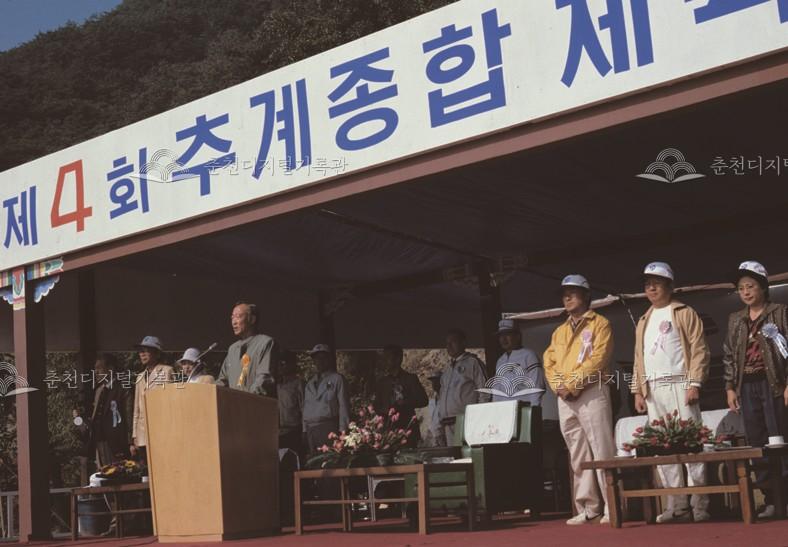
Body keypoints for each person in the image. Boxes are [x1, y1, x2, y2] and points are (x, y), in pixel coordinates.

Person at [631, 262, 711, 523]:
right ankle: (676, 503)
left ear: (670, 286)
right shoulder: (644, 319)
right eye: (647, 284)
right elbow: (639, 358)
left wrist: (694, 383)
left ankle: (699, 503)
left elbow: (699, 348)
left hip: (680, 384)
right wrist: (638, 391)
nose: (651, 288)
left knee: (691, 445)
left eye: (657, 283)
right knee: (661, 448)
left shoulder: (684, 312)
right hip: (654, 389)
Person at [543, 275, 615, 525]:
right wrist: (559, 387)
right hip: (566, 397)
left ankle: (613, 506)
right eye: (564, 294)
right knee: (577, 453)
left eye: (572, 292)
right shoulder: (559, 331)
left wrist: (573, 385)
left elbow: (599, 359)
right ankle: (589, 507)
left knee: (602, 449)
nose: (567, 297)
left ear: (586, 295)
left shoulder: (600, 324)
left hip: (591, 391)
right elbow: (549, 362)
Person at [723, 261, 788, 518]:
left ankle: (785, 497)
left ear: (762, 286)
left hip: (775, 384)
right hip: (747, 386)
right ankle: (770, 499)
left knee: (780, 438)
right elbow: (729, 354)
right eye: (741, 288)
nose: (746, 292)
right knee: (757, 443)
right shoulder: (735, 319)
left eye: (750, 286)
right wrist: (730, 387)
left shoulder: (780, 312)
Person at [436, 329, 487, 445]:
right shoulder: (447, 370)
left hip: (466, 421)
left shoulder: (473, 363)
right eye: (447, 343)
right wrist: (438, 425)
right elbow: (441, 398)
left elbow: (484, 391)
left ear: (463, 343)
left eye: (453, 342)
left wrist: (479, 417)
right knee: (454, 454)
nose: (449, 346)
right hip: (448, 423)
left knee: (468, 453)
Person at [217, 301, 277, 396]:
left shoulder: (265, 343)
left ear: (252, 319)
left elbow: (264, 379)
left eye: (238, 317)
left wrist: (245, 398)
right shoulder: (232, 349)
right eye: (232, 318)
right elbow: (222, 381)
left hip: (255, 403)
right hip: (233, 403)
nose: (234, 322)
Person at [374, 344, 428, 446]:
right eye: (384, 358)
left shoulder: (411, 379)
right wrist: (386, 411)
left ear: (398, 359)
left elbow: (424, 400)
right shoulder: (382, 383)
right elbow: (376, 406)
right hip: (388, 432)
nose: (384, 361)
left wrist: (406, 402)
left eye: (387, 357)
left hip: (408, 430)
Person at [131, 336, 174, 462]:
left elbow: (171, 402)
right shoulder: (139, 377)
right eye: (140, 351)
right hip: (142, 432)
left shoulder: (167, 371)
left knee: (162, 464)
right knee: (145, 468)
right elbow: (136, 408)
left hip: (161, 429)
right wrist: (134, 434)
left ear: (157, 353)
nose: (142, 354)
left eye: (146, 351)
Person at [302, 344, 350, 453]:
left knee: (329, 458)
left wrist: (343, 430)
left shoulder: (337, 379)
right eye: (317, 358)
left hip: (328, 425)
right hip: (311, 427)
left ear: (329, 359)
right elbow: (306, 407)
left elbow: (343, 405)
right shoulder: (310, 383)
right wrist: (304, 430)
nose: (320, 361)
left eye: (323, 357)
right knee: (313, 459)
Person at [90, 354, 131, 468]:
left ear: (110, 369)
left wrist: (131, 442)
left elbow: (129, 416)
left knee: (117, 472)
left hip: (117, 442)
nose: (96, 372)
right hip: (99, 442)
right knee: (102, 473)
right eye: (95, 369)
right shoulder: (99, 391)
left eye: (99, 368)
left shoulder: (123, 388)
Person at [493, 319, 545, 406]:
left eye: (508, 334)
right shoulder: (500, 360)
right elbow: (497, 389)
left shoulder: (529, 355)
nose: (503, 339)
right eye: (501, 335)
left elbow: (537, 385)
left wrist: (534, 408)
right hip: (504, 408)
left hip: (523, 407)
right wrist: (495, 407)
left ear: (517, 336)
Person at [277, 350, 304, 456]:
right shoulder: (277, 385)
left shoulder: (298, 383)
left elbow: (303, 407)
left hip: (294, 430)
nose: (280, 367)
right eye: (279, 364)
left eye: (283, 363)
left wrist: (304, 430)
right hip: (279, 431)